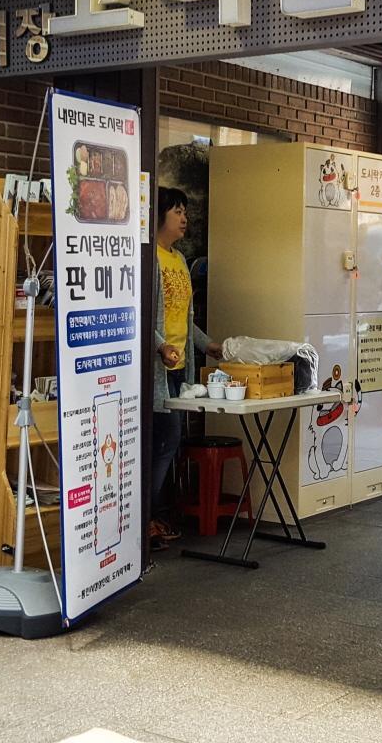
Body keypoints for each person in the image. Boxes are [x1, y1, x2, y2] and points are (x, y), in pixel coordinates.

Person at [152, 187, 222, 551]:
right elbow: (139, 314)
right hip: (157, 368)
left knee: (170, 441)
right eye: (177, 211)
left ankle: (159, 516)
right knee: (165, 439)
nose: (184, 218)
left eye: (185, 212)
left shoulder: (178, 259)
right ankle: (149, 517)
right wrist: (159, 345)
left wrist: (206, 344)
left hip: (179, 366)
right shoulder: (149, 258)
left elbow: (185, 317)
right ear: (160, 213)